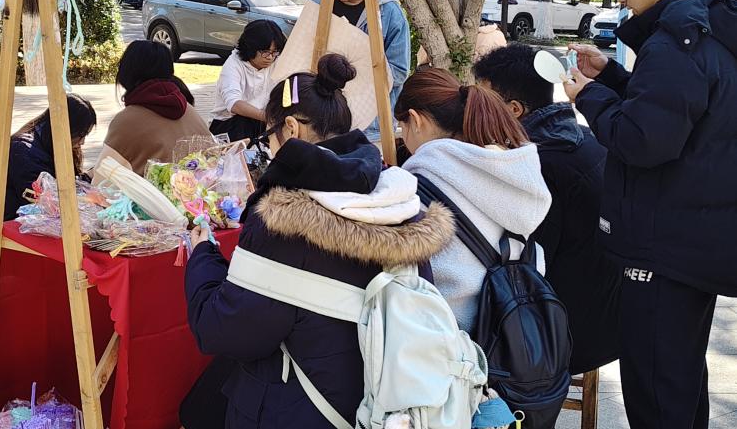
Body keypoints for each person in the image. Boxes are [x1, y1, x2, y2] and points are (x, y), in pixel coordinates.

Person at [184, 54, 452, 429]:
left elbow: (223, 330)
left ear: (290, 128)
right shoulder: (398, 198)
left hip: (296, 411)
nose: (269, 147)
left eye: (268, 136)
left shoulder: (282, 219)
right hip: (385, 406)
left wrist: (202, 255)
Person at [564, 0, 737, 429]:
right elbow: (676, 112)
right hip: (698, 238)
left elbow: (641, 140)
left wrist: (587, 96)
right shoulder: (711, 25)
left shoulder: (673, 40)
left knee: (658, 390)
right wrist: (613, 76)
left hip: (664, 248)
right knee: (679, 379)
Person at [473, 44, 620, 374]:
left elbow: (525, 269)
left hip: (567, 335)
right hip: (611, 318)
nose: (474, 112)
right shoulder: (583, 136)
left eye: (483, 103)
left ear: (514, 109)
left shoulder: (539, 167)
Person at [396, 68, 551, 332]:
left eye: (402, 127)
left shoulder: (422, 185)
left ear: (416, 119)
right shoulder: (510, 167)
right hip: (518, 329)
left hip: (454, 336)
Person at [315, 0, 410, 139]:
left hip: (371, 127)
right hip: (324, 122)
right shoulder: (321, 9)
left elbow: (400, 72)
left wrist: (357, 69)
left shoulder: (388, 13)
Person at [0, 93, 96, 223]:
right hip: (5, 225)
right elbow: (46, 201)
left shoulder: (45, 143)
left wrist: (88, 177)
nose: (82, 142)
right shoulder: (23, 151)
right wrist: (88, 178)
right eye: (81, 134)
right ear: (66, 128)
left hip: (25, 220)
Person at [101, 40, 210, 175]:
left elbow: (102, 175)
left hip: (149, 189)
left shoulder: (125, 121)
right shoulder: (189, 110)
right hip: (203, 186)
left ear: (126, 72)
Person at [209, 20, 286, 142]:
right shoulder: (233, 64)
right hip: (231, 124)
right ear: (250, 48)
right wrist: (268, 117)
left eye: (274, 52)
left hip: (262, 122)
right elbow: (234, 104)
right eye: (265, 52)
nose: (270, 57)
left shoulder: (276, 60)